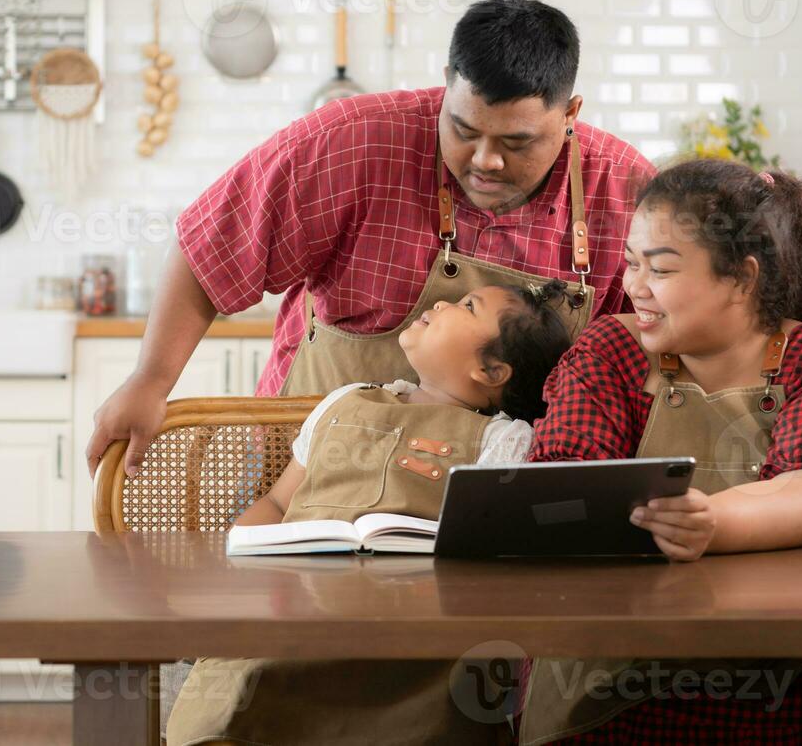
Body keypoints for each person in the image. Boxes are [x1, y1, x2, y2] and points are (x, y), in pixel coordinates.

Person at [88, 0, 654, 477]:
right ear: (446, 89)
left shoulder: (623, 190)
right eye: (463, 130)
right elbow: (210, 248)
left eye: (517, 143)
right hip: (304, 470)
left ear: (570, 113)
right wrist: (149, 380)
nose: (486, 162)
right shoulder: (353, 142)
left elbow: (659, 338)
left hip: (489, 489)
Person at [517, 158, 802, 744]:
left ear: (743, 279)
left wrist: (713, 522)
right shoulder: (609, 352)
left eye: (660, 268)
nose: (633, 287)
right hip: (638, 668)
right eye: (631, 264)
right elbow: (564, 489)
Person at [167, 281, 575, 746]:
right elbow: (279, 502)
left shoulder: (502, 442)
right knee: (236, 698)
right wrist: (238, 566)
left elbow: (494, 564)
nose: (440, 302)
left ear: (491, 370)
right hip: (289, 622)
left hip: (411, 653)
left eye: (467, 306)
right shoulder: (346, 399)